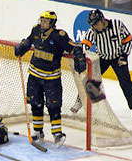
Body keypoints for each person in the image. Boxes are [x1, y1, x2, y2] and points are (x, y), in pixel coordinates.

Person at [14, 11, 86, 148]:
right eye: (42, 20)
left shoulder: (59, 36)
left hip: (51, 79)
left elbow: (75, 47)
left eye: (46, 21)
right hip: (34, 76)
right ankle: (38, 132)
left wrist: (79, 56)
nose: (43, 23)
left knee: (53, 106)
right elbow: (29, 41)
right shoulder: (36, 30)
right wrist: (23, 46)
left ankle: (57, 134)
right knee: (35, 103)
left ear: (52, 23)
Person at [80, 9, 132, 121]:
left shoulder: (117, 25)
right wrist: (85, 53)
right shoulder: (93, 31)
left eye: (96, 23)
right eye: (92, 25)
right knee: (89, 80)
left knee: (125, 82)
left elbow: (128, 40)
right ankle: (80, 101)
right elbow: (86, 42)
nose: (94, 27)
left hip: (118, 58)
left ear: (102, 19)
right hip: (102, 58)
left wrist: (124, 55)